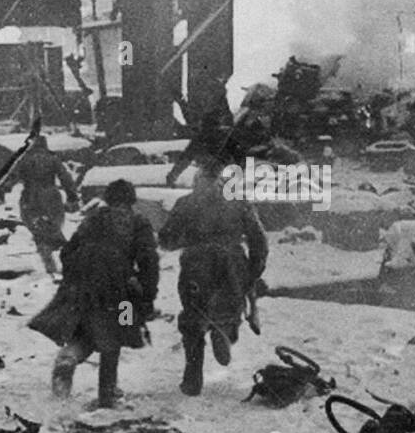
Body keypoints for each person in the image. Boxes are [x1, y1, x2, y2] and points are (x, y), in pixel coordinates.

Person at [28, 179, 159, 408]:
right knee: (117, 334)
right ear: (131, 200)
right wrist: (146, 295)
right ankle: (107, 395)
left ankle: (68, 358)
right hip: (121, 295)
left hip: (81, 290)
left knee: (85, 330)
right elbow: (149, 261)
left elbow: (68, 252)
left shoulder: (93, 219)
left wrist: (76, 280)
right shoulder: (138, 222)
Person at [158, 165, 268, 397]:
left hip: (197, 266)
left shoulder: (185, 203)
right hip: (233, 265)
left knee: (194, 315)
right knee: (230, 306)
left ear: (197, 181)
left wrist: (185, 239)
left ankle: (192, 377)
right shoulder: (239, 202)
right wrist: (253, 272)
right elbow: (259, 240)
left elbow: (166, 239)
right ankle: (226, 331)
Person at [15, 140, 79, 274]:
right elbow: (65, 177)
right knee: (54, 227)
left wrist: (0, 192)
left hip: (29, 197)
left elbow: (11, 176)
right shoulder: (52, 159)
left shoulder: (23, 159)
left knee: (38, 231)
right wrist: (71, 195)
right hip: (51, 197)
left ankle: (50, 264)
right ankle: (69, 260)